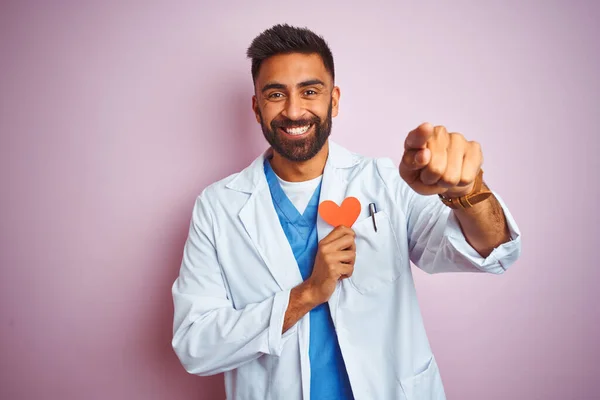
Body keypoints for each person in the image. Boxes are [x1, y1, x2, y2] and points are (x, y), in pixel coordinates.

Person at [171, 24, 521, 400]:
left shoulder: (385, 181)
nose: (293, 110)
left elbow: (491, 251)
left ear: (333, 100)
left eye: (310, 91)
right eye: (276, 94)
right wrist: (307, 294)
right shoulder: (218, 206)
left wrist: (468, 191)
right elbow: (196, 345)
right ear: (257, 108)